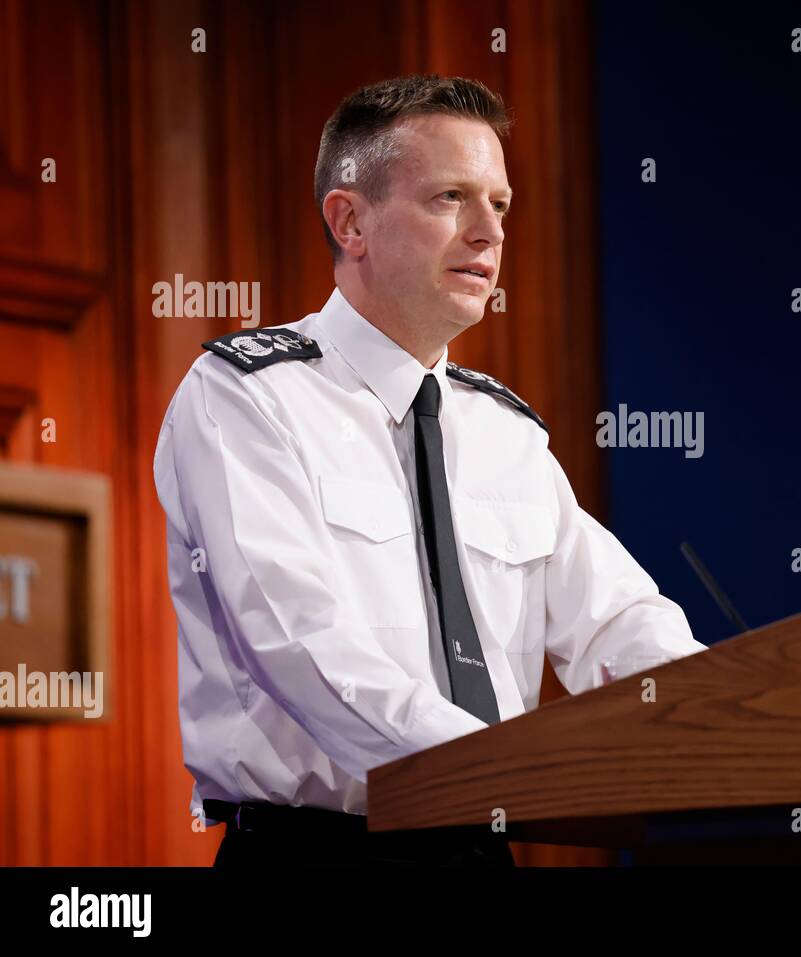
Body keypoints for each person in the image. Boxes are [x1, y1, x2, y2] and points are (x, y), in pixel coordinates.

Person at [152, 74, 706, 868]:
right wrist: (504, 767)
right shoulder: (245, 399)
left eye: (501, 204)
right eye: (451, 197)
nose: (489, 233)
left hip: (486, 849)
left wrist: (728, 719)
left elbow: (618, 623)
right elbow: (299, 644)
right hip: (318, 852)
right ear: (351, 221)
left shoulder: (504, 432)